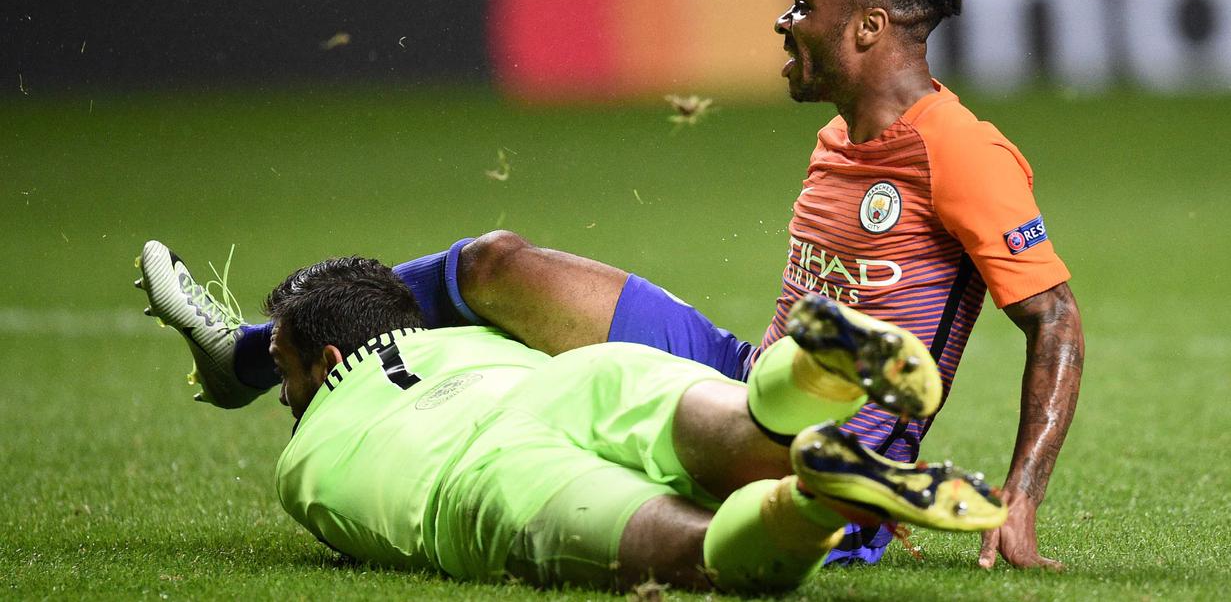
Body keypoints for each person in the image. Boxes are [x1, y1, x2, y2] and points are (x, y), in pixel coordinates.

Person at [138, 0, 1084, 570]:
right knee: (493, 266)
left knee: (656, 445)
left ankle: (848, 489)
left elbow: (1056, 325)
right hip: (743, 374)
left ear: (870, 27)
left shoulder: (962, 151)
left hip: (817, 439)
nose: (783, 19)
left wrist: (1022, 496)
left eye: (803, 2)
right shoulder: (840, 134)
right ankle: (252, 358)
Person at [140, 243, 1007, 592]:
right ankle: (813, 369)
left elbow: (362, 520)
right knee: (743, 430)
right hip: (579, 381)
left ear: (325, 366)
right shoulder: (475, 336)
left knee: (697, 553)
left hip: (482, 477)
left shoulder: (307, 471)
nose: (285, 399)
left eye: (284, 375)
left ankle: (810, 505)